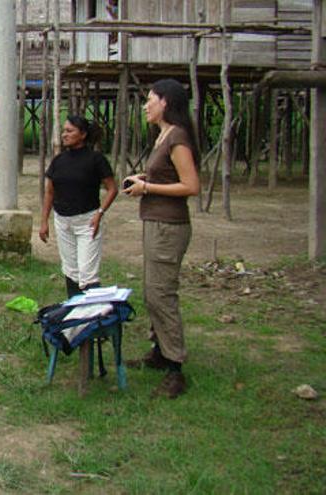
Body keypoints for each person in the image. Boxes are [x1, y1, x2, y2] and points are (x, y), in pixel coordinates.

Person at [123, 78, 201, 399]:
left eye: (150, 99)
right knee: (151, 290)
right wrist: (145, 178)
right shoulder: (163, 136)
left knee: (161, 294)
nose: (146, 105)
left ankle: (175, 367)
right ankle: (159, 351)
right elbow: (169, 176)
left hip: (169, 227)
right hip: (155, 223)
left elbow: (191, 185)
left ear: (166, 102)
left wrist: (148, 188)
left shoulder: (177, 137)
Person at [39, 116, 118, 298]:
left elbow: (112, 189)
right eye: (64, 130)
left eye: (69, 131)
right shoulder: (59, 160)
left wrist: (99, 213)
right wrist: (44, 221)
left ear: (82, 134)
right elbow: (50, 192)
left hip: (87, 221)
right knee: (70, 270)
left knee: (87, 272)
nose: (64, 135)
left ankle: (93, 316)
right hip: (63, 221)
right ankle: (75, 311)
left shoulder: (96, 160)